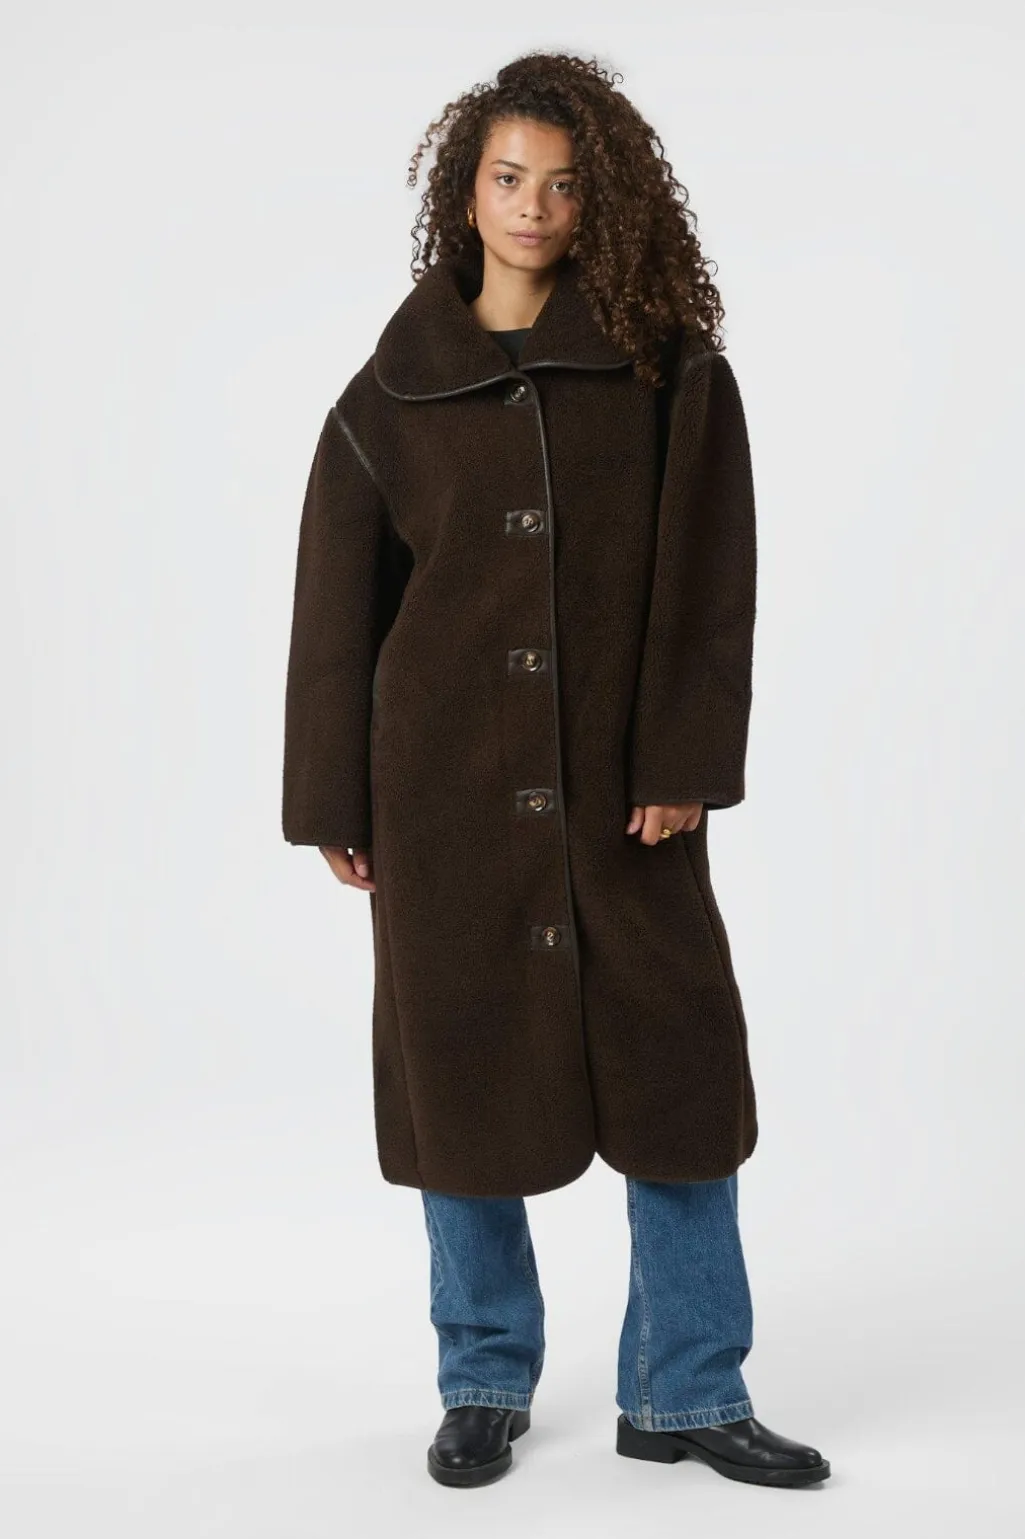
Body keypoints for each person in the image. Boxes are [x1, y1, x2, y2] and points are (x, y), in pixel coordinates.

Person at [282, 50, 831, 1491]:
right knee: (459, 1085)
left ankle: (687, 1386)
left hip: (626, 800)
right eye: (509, 178)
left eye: (566, 184)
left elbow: (709, 580)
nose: (534, 205)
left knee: (681, 1076)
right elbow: (338, 612)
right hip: (443, 793)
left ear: (606, 202)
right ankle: (480, 1378)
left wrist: (683, 757)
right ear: (465, 193)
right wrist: (333, 797)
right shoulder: (389, 395)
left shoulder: (666, 371)